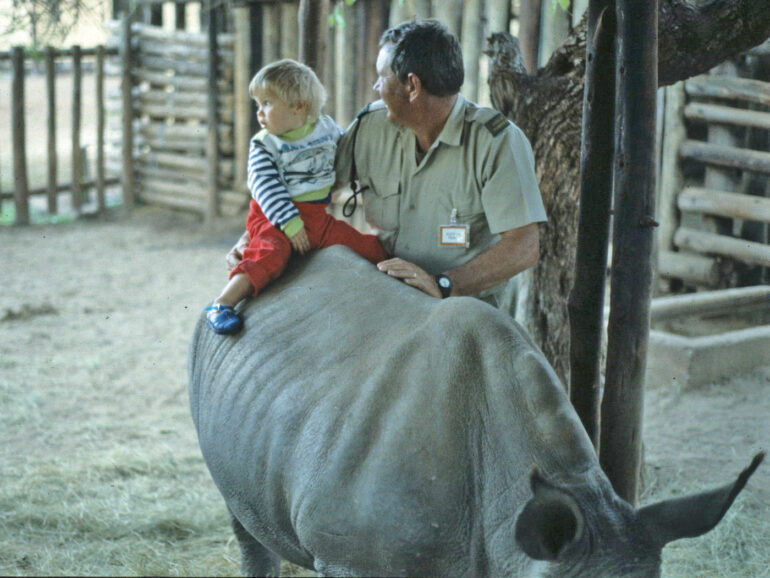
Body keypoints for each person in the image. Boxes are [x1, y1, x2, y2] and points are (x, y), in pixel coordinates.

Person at [227, 20, 546, 314]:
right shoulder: (370, 127)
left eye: (382, 77)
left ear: (413, 86)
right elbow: (308, 189)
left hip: (466, 311)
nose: (376, 88)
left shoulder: (497, 142)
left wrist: (445, 284)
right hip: (387, 301)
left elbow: (524, 245)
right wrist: (258, 235)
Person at [207, 59, 388, 334]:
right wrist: (290, 224)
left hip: (316, 217)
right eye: (258, 104)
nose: (260, 113)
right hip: (274, 217)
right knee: (269, 254)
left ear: (299, 106)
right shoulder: (265, 145)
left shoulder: (326, 129)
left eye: (267, 103)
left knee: (364, 247)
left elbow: (345, 155)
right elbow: (265, 187)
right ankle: (222, 304)